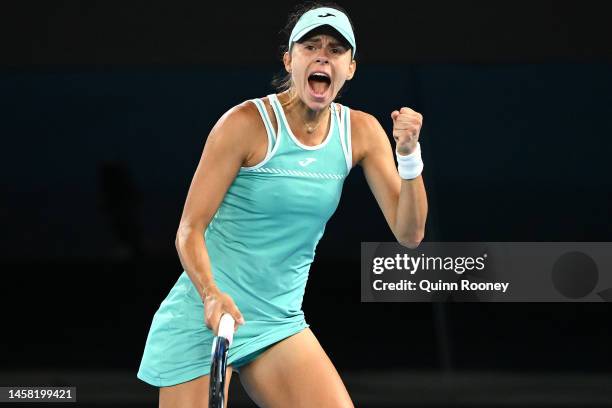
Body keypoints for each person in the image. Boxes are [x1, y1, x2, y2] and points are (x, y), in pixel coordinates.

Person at [137, 2, 428, 406]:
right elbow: (189, 230)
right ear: (290, 60)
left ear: (350, 68)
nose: (323, 54)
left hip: (278, 322)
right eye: (311, 46)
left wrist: (409, 156)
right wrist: (210, 294)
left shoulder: (361, 132)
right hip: (204, 318)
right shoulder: (243, 125)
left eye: (335, 49)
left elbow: (410, 233)